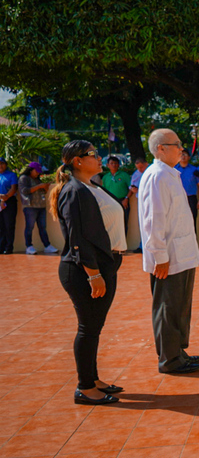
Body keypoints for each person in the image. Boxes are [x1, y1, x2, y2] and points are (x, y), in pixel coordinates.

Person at [50, 140, 126, 405]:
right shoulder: (74, 191)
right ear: (78, 161)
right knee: (88, 328)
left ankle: (93, 379)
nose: (99, 157)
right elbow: (77, 236)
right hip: (84, 270)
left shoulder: (90, 186)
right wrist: (94, 274)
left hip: (103, 264)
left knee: (94, 327)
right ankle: (85, 388)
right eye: (93, 154)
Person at [138, 129, 199, 374]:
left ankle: (178, 350)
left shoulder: (169, 174)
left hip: (182, 253)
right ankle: (169, 359)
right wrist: (160, 257)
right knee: (168, 306)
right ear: (160, 149)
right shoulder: (157, 176)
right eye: (175, 144)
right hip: (169, 257)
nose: (181, 148)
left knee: (180, 305)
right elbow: (153, 220)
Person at [19, 162, 58, 254]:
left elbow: (43, 192)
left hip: (41, 206)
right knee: (29, 227)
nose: (38, 173)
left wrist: (45, 187)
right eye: (36, 171)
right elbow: (25, 191)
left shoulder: (38, 180)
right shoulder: (23, 178)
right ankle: (29, 246)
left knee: (42, 227)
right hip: (30, 206)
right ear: (31, 170)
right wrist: (40, 186)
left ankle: (47, 245)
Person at [101, 156, 131, 233]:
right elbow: (103, 190)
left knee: (123, 222)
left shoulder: (124, 175)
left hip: (122, 201)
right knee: (111, 221)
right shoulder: (105, 177)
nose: (114, 165)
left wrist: (126, 198)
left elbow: (131, 188)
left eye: (115, 163)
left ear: (118, 165)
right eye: (111, 163)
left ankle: (123, 243)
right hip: (110, 202)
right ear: (108, 165)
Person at [174, 149, 199, 227]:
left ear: (189, 157)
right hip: (178, 198)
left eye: (185, 155)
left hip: (191, 198)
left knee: (192, 221)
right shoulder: (174, 170)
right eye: (181, 155)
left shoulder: (194, 170)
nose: (183, 156)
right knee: (178, 222)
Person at [129, 157, 148, 253]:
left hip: (150, 199)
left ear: (146, 164)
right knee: (142, 222)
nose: (140, 170)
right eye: (138, 168)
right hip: (140, 200)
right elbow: (131, 185)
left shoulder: (150, 172)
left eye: (141, 167)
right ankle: (142, 245)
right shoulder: (136, 174)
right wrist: (133, 189)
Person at [0, 157, 19, 254]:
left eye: (2, 163)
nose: (0, 166)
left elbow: (13, 188)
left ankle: (8, 247)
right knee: (0, 226)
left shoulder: (12, 175)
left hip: (9, 201)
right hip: (0, 201)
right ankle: (0, 246)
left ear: (6, 165)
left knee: (9, 225)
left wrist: (6, 197)